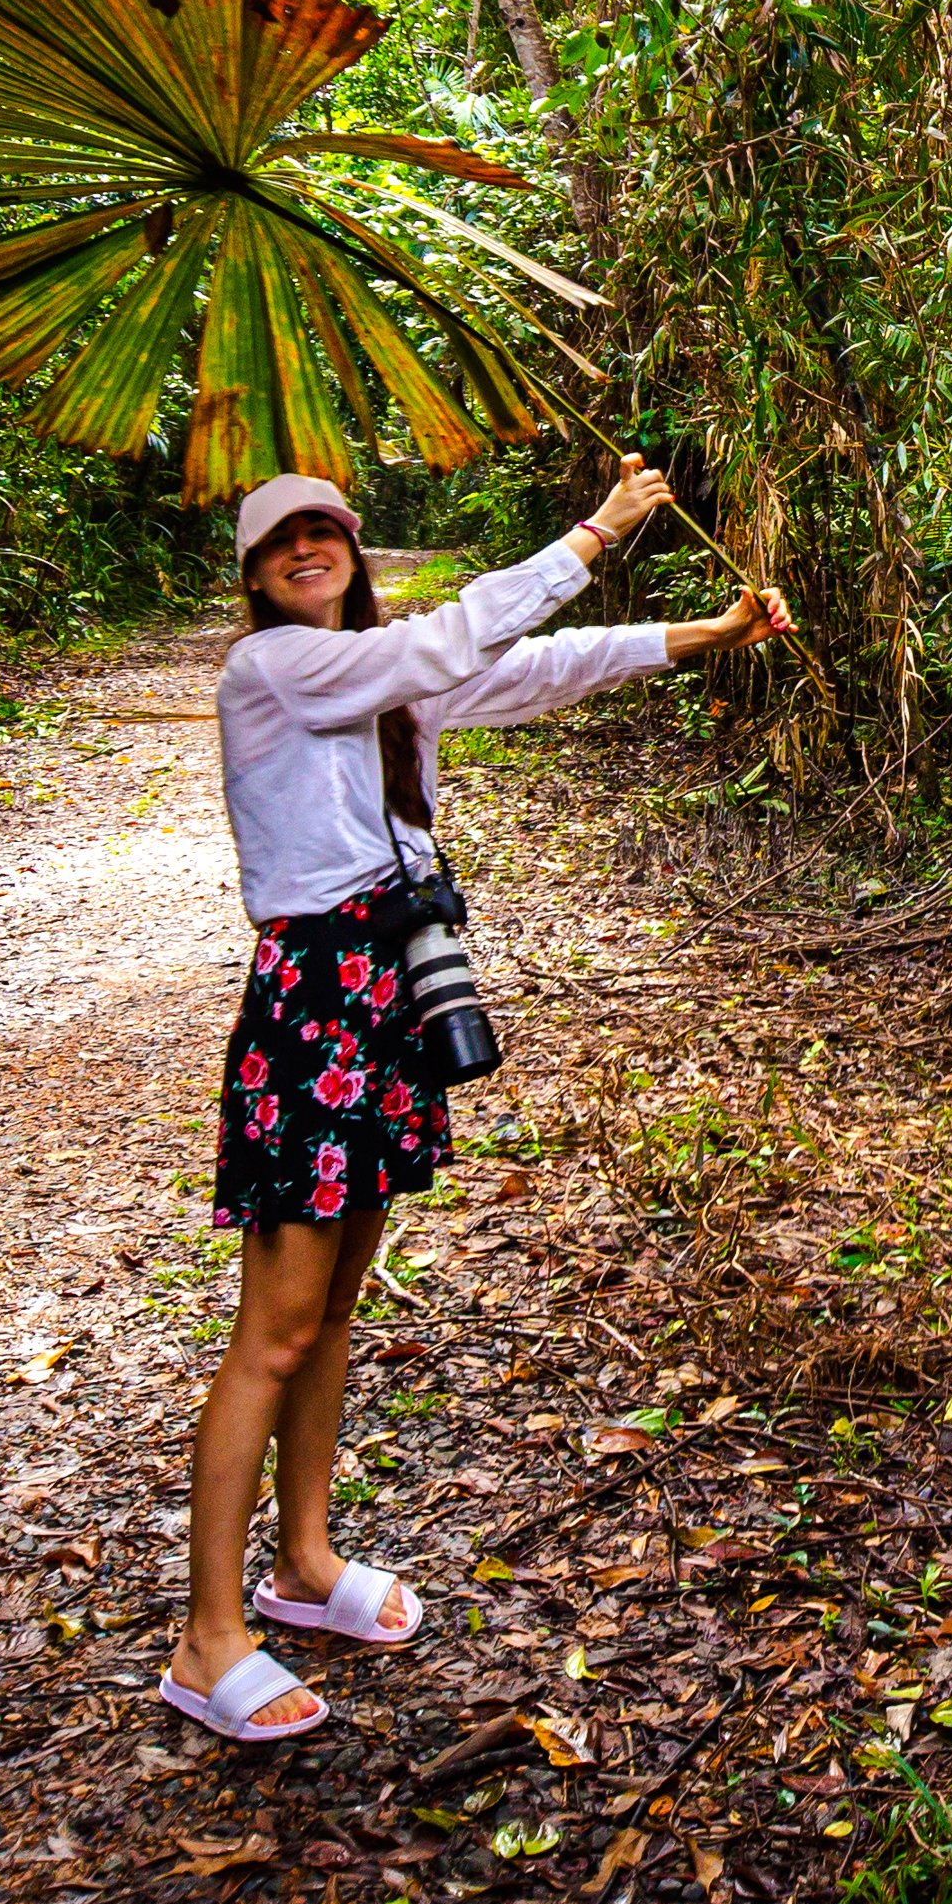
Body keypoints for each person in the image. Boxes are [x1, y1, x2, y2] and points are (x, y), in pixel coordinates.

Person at [157, 457, 787, 1743]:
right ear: (255, 573)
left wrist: (705, 635)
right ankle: (208, 1635)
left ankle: (307, 1564)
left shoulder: (389, 682)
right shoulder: (272, 671)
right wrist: (599, 530)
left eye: (328, 529)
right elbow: (462, 632)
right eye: (284, 540)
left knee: (334, 1304)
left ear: (356, 549)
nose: (309, 549)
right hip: (313, 997)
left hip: (393, 989)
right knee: (274, 1326)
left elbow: (543, 669)